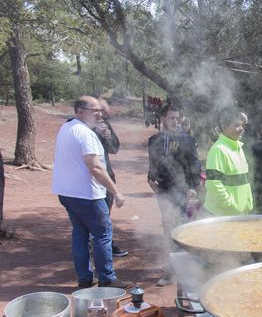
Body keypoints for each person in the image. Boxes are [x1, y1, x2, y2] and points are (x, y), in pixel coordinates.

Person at [51, 95, 132, 289]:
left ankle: (85, 279)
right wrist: (116, 192)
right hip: (87, 195)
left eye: (100, 111)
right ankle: (108, 279)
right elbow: (95, 167)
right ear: (79, 111)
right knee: (103, 234)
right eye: (94, 110)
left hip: (67, 193)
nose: (99, 114)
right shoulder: (85, 133)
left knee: (80, 234)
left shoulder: (66, 127)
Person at [148, 104, 201, 286]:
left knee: (184, 228)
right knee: (168, 228)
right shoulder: (154, 140)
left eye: (177, 118)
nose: (175, 121)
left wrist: (194, 185)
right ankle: (170, 271)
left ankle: (188, 269)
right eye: (171, 118)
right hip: (164, 191)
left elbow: (194, 163)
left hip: (183, 190)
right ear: (163, 119)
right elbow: (153, 163)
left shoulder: (186, 139)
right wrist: (150, 178)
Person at [94, 98, 128, 258]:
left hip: (106, 177)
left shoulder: (105, 125)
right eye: (102, 114)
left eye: (107, 116)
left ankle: (106, 245)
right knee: (95, 216)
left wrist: (107, 136)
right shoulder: (81, 126)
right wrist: (95, 132)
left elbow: (115, 148)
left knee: (105, 214)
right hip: (90, 180)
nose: (104, 118)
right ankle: (97, 248)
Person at [204, 107, 253, 216]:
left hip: (238, 214)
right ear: (224, 127)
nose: (241, 129)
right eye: (236, 125)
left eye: (242, 125)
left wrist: (247, 205)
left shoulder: (238, 147)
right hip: (222, 216)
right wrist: (232, 208)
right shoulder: (218, 150)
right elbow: (213, 185)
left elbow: (244, 181)